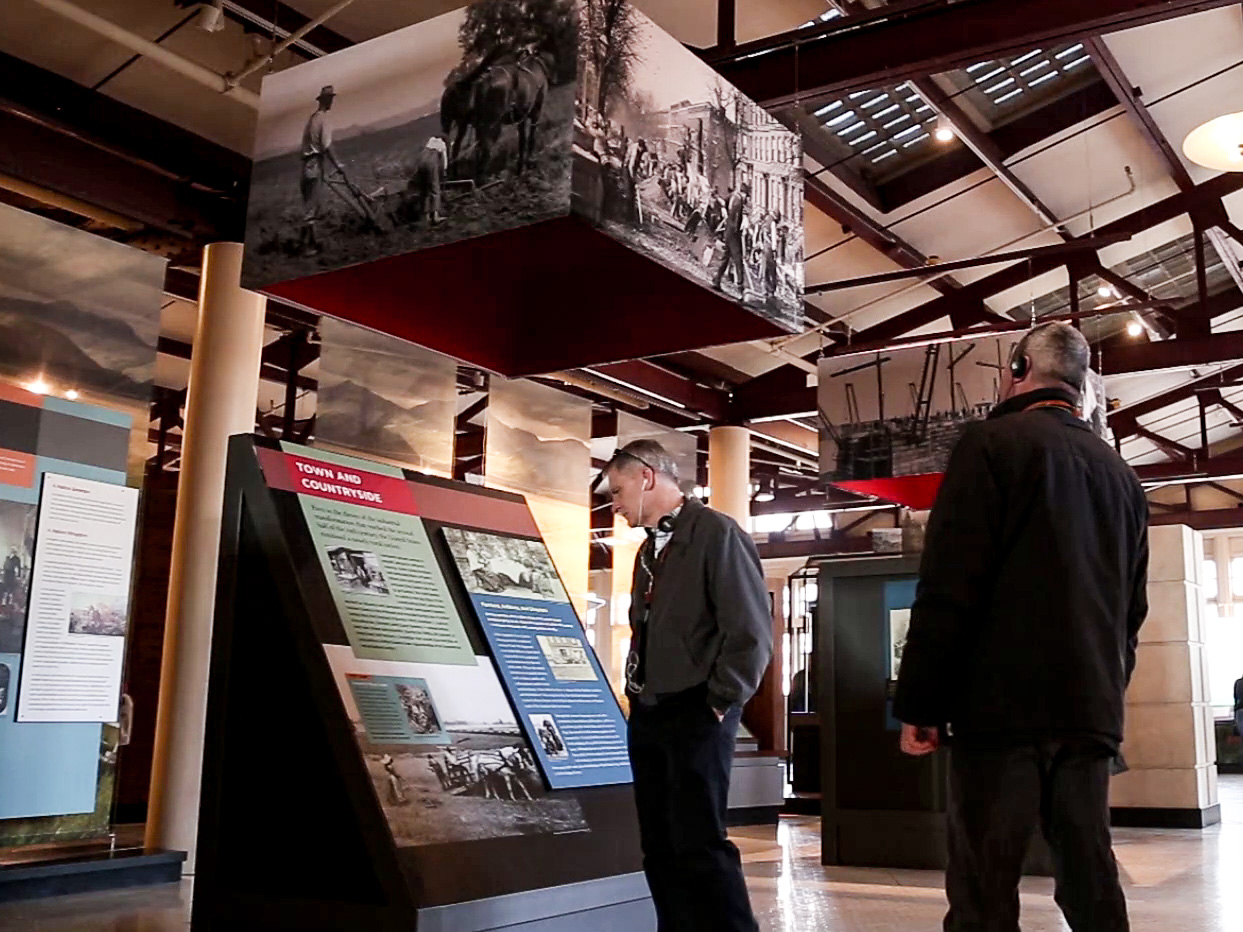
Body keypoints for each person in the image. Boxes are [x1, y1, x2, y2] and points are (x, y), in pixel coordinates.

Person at [893, 322, 1149, 932]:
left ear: (1017, 366)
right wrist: (1107, 694)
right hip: (1090, 710)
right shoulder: (1121, 476)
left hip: (1001, 711)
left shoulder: (990, 444)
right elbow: (1132, 611)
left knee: (985, 882)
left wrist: (921, 701)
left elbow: (951, 584)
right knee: (1090, 874)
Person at [604, 439, 772, 932]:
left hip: (697, 710)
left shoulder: (718, 534)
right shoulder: (646, 552)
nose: (613, 505)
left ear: (647, 477)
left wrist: (720, 702)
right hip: (651, 712)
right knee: (658, 843)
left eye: (617, 491)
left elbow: (749, 631)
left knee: (699, 841)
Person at [299, 85, 347, 256]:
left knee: (310, 205)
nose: (332, 101)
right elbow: (326, 146)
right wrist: (339, 166)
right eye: (330, 99)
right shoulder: (323, 119)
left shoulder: (312, 119)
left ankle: (309, 243)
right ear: (325, 101)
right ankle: (306, 247)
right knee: (312, 207)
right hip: (314, 163)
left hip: (306, 164)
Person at [712, 181, 751, 298]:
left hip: (728, 232)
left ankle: (717, 280)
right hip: (734, 234)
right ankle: (740, 289)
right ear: (745, 194)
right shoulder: (739, 202)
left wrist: (724, 211)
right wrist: (739, 232)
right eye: (747, 196)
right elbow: (736, 219)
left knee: (725, 258)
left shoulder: (733, 195)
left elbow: (723, 201)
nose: (746, 199)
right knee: (738, 261)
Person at [411, 135, 448, 224]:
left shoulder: (429, 144)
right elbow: (444, 162)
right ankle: (435, 216)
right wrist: (443, 174)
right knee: (435, 190)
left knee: (425, 191)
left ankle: (426, 216)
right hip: (431, 164)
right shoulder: (442, 145)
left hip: (421, 164)